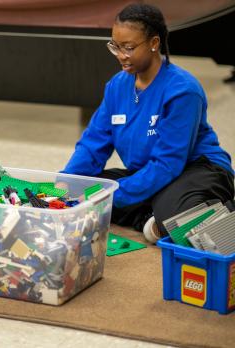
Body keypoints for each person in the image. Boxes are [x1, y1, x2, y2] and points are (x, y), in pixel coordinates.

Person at [61, 4, 234, 243]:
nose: (121, 55)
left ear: (154, 43)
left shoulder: (183, 90)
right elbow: (93, 144)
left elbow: (168, 163)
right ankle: (154, 213)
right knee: (87, 191)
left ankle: (182, 213)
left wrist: (114, 194)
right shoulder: (116, 86)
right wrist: (67, 182)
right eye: (115, 46)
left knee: (133, 204)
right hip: (149, 171)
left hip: (197, 170)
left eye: (129, 47)